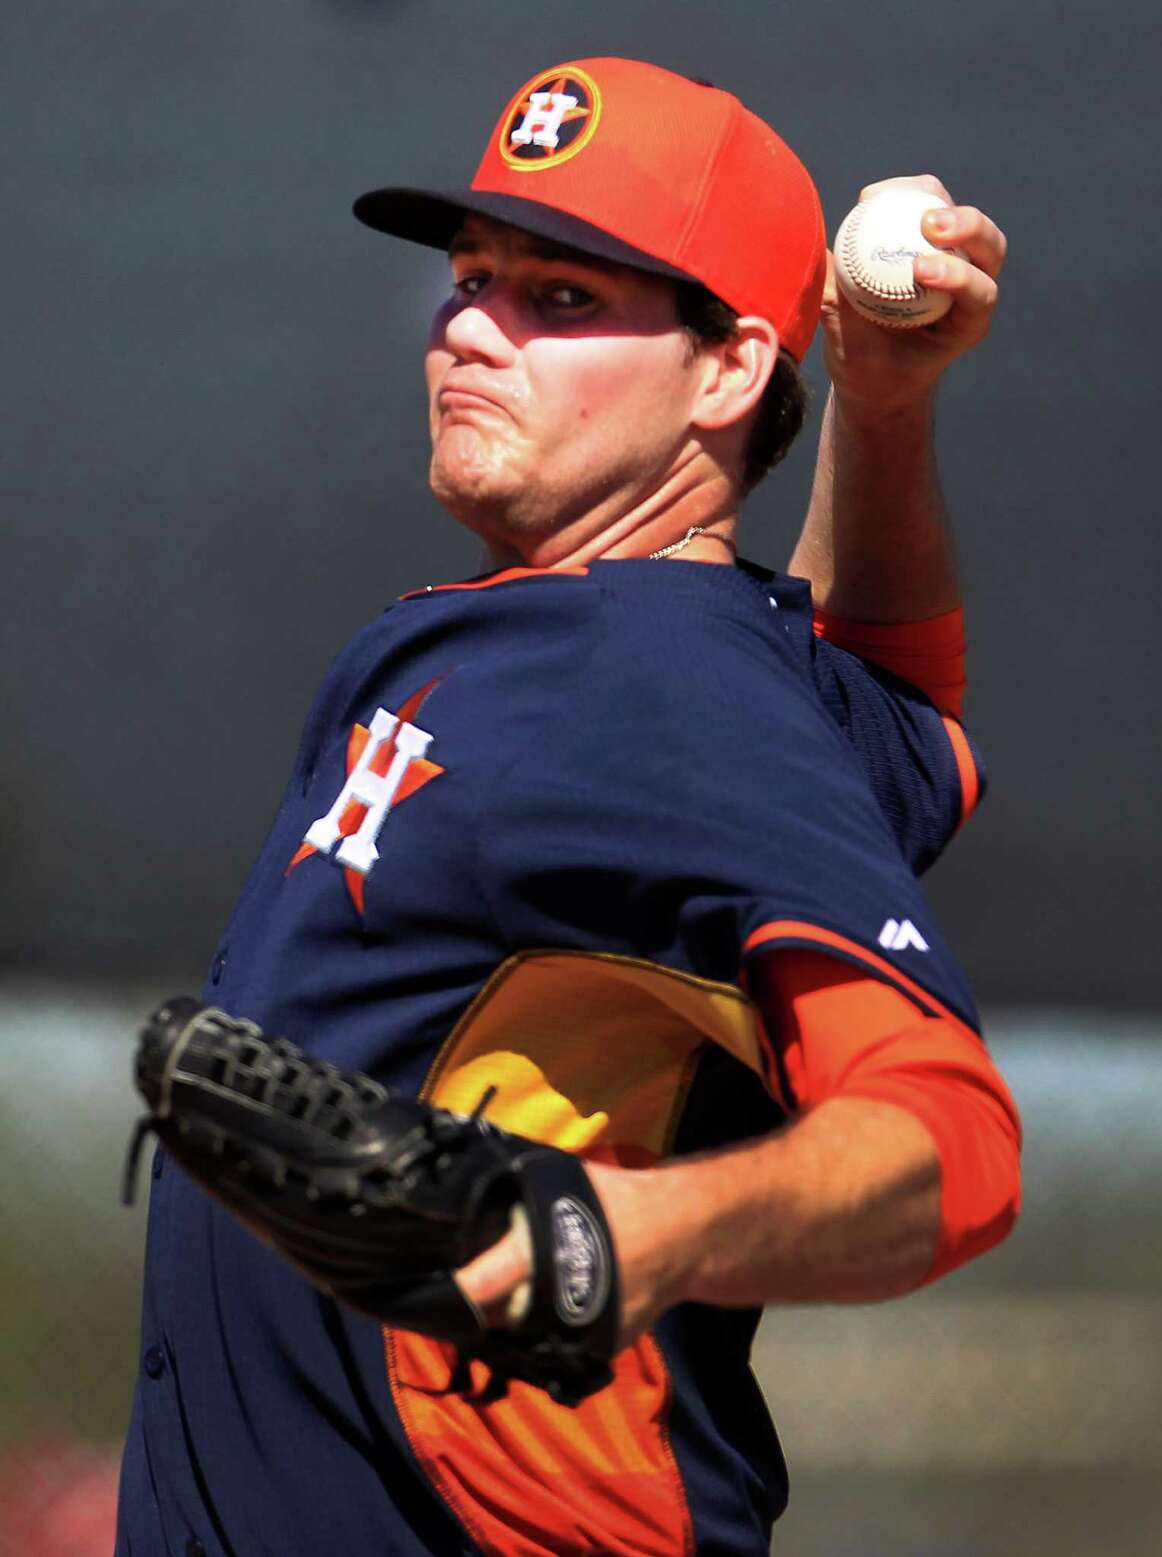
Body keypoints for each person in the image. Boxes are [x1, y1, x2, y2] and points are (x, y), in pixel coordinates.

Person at [118, 57, 1019, 1557]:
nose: (470, 324)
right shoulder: (691, 660)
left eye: (564, 298)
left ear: (730, 370)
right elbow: (897, 715)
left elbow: (952, 1136)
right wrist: (882, 402)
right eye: (471, 278)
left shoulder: (671, 689)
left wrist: (627, 1236)